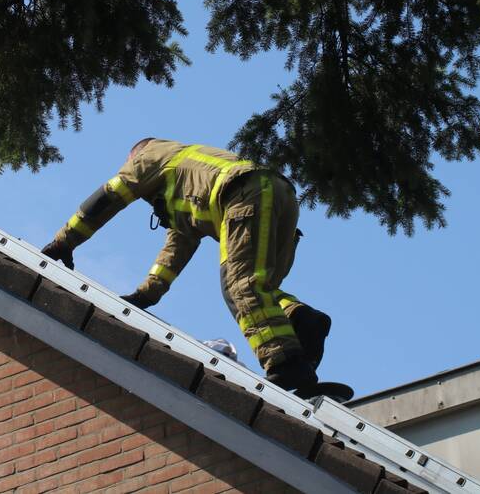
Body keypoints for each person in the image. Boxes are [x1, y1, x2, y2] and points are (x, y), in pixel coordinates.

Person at [42, 137, 332, 396]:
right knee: (260, 289)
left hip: (243, 195)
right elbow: (176, 248)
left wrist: (63, 242)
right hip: (278, 195)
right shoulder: (181, 180)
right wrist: (144, 296)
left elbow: (107, 198)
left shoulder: (148, 156)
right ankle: (301, 318)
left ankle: (285, 362)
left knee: (239, 286)